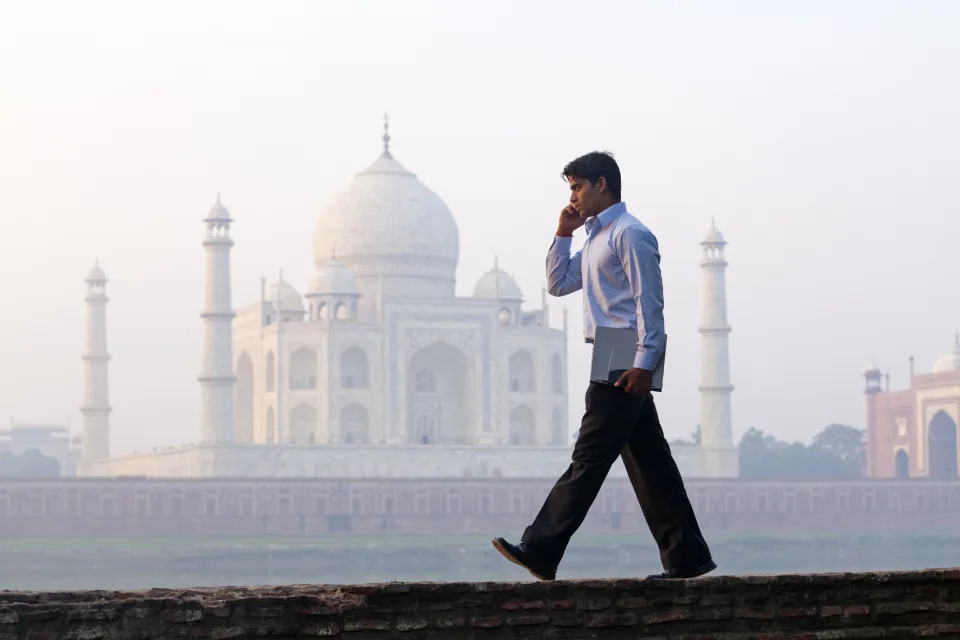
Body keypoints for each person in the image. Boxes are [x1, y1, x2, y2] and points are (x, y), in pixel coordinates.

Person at [492, 151, 715, 581]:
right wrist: (563, 233)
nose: (572, 196)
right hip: (611, 351)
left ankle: (541, 548)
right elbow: (558, 284)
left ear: (601, 184)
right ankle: (687, 555)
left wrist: (645, 363)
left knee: (589, 458)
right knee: (650, 462)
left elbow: (648, 303)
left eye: (576, 187)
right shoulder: (596, 237)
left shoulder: (630, 234)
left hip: (626, 352)